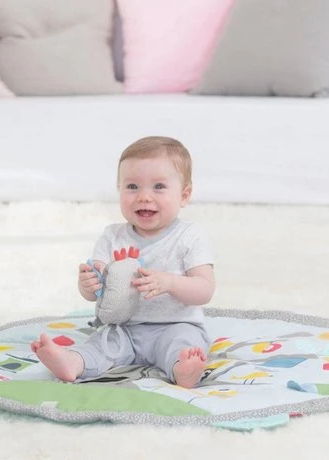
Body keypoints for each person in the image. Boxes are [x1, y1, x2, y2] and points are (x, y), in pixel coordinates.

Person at [30, 136, 216, 388]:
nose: (144, 197)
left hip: (175, 325)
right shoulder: (112, 236)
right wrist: (87, 284)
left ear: (184, 195)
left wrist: (170, 283)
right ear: (119, 189)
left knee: (183, 345)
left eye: (159, 187)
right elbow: (96, 293)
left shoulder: (189, 236)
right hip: (125, 329)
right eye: (132, 187)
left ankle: (183, 370)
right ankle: (72, 362)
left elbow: (205, 289)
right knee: (100, 344)